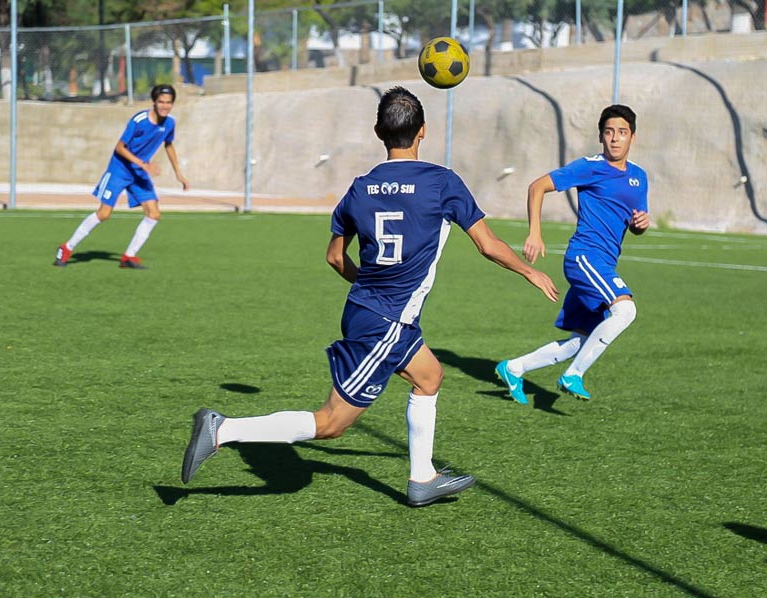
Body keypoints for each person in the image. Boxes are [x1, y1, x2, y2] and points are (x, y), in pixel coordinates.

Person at [181, 87, 559, 507]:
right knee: (332, 423)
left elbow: (334, 258)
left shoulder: (360, 189)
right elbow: (487, 245)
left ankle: (422, 478)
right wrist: (529, 270)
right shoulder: (441, 182)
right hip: (386, 322)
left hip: (374, 312)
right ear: (423, 133)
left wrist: (371, 288)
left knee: (429, 376)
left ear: (379, 131)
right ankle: (224, 429)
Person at [495, 104, 650, 405]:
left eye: (622, 133)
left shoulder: (639, 177)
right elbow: (537, 186)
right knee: (626, 311)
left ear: (633, 137)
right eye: (609, 133)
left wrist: (640, 224)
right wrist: (535, 233)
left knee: (578, 341)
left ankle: (514, 368)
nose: (615, 139)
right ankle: (572, 376)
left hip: (604, 261)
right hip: (584, 257)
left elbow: (636, 222)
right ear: (601, 137)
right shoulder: (591, 167)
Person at [53, 84, 189, 269]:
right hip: (120, 169)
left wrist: (179, 174)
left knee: (154, 213)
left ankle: (128, 257)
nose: (165, 106)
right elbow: (119, 147)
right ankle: (66, 248)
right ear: (154, 102)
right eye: (161, 102)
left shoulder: (170, 123)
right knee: (104, 213)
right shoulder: (139, 120)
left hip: (139, 173)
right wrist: (143, 164)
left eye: (169, 103)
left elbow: (169, 145)